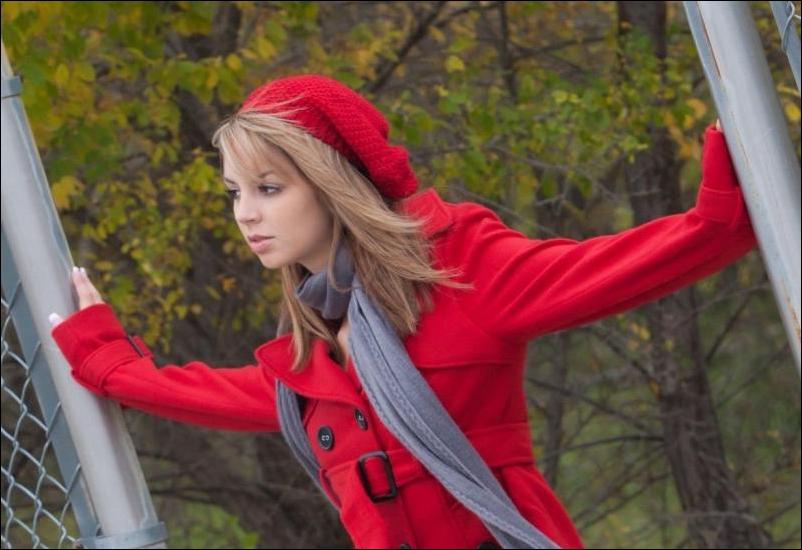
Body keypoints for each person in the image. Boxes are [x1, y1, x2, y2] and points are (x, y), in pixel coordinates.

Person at [49, 74, 756, 549]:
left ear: (333, 182)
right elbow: (218, 394)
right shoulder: (312, 347)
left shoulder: (457, 272)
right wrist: (107, 359)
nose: (246, 215)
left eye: (268, 188)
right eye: (235, 193)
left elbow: (615, 268)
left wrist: (724, 204)